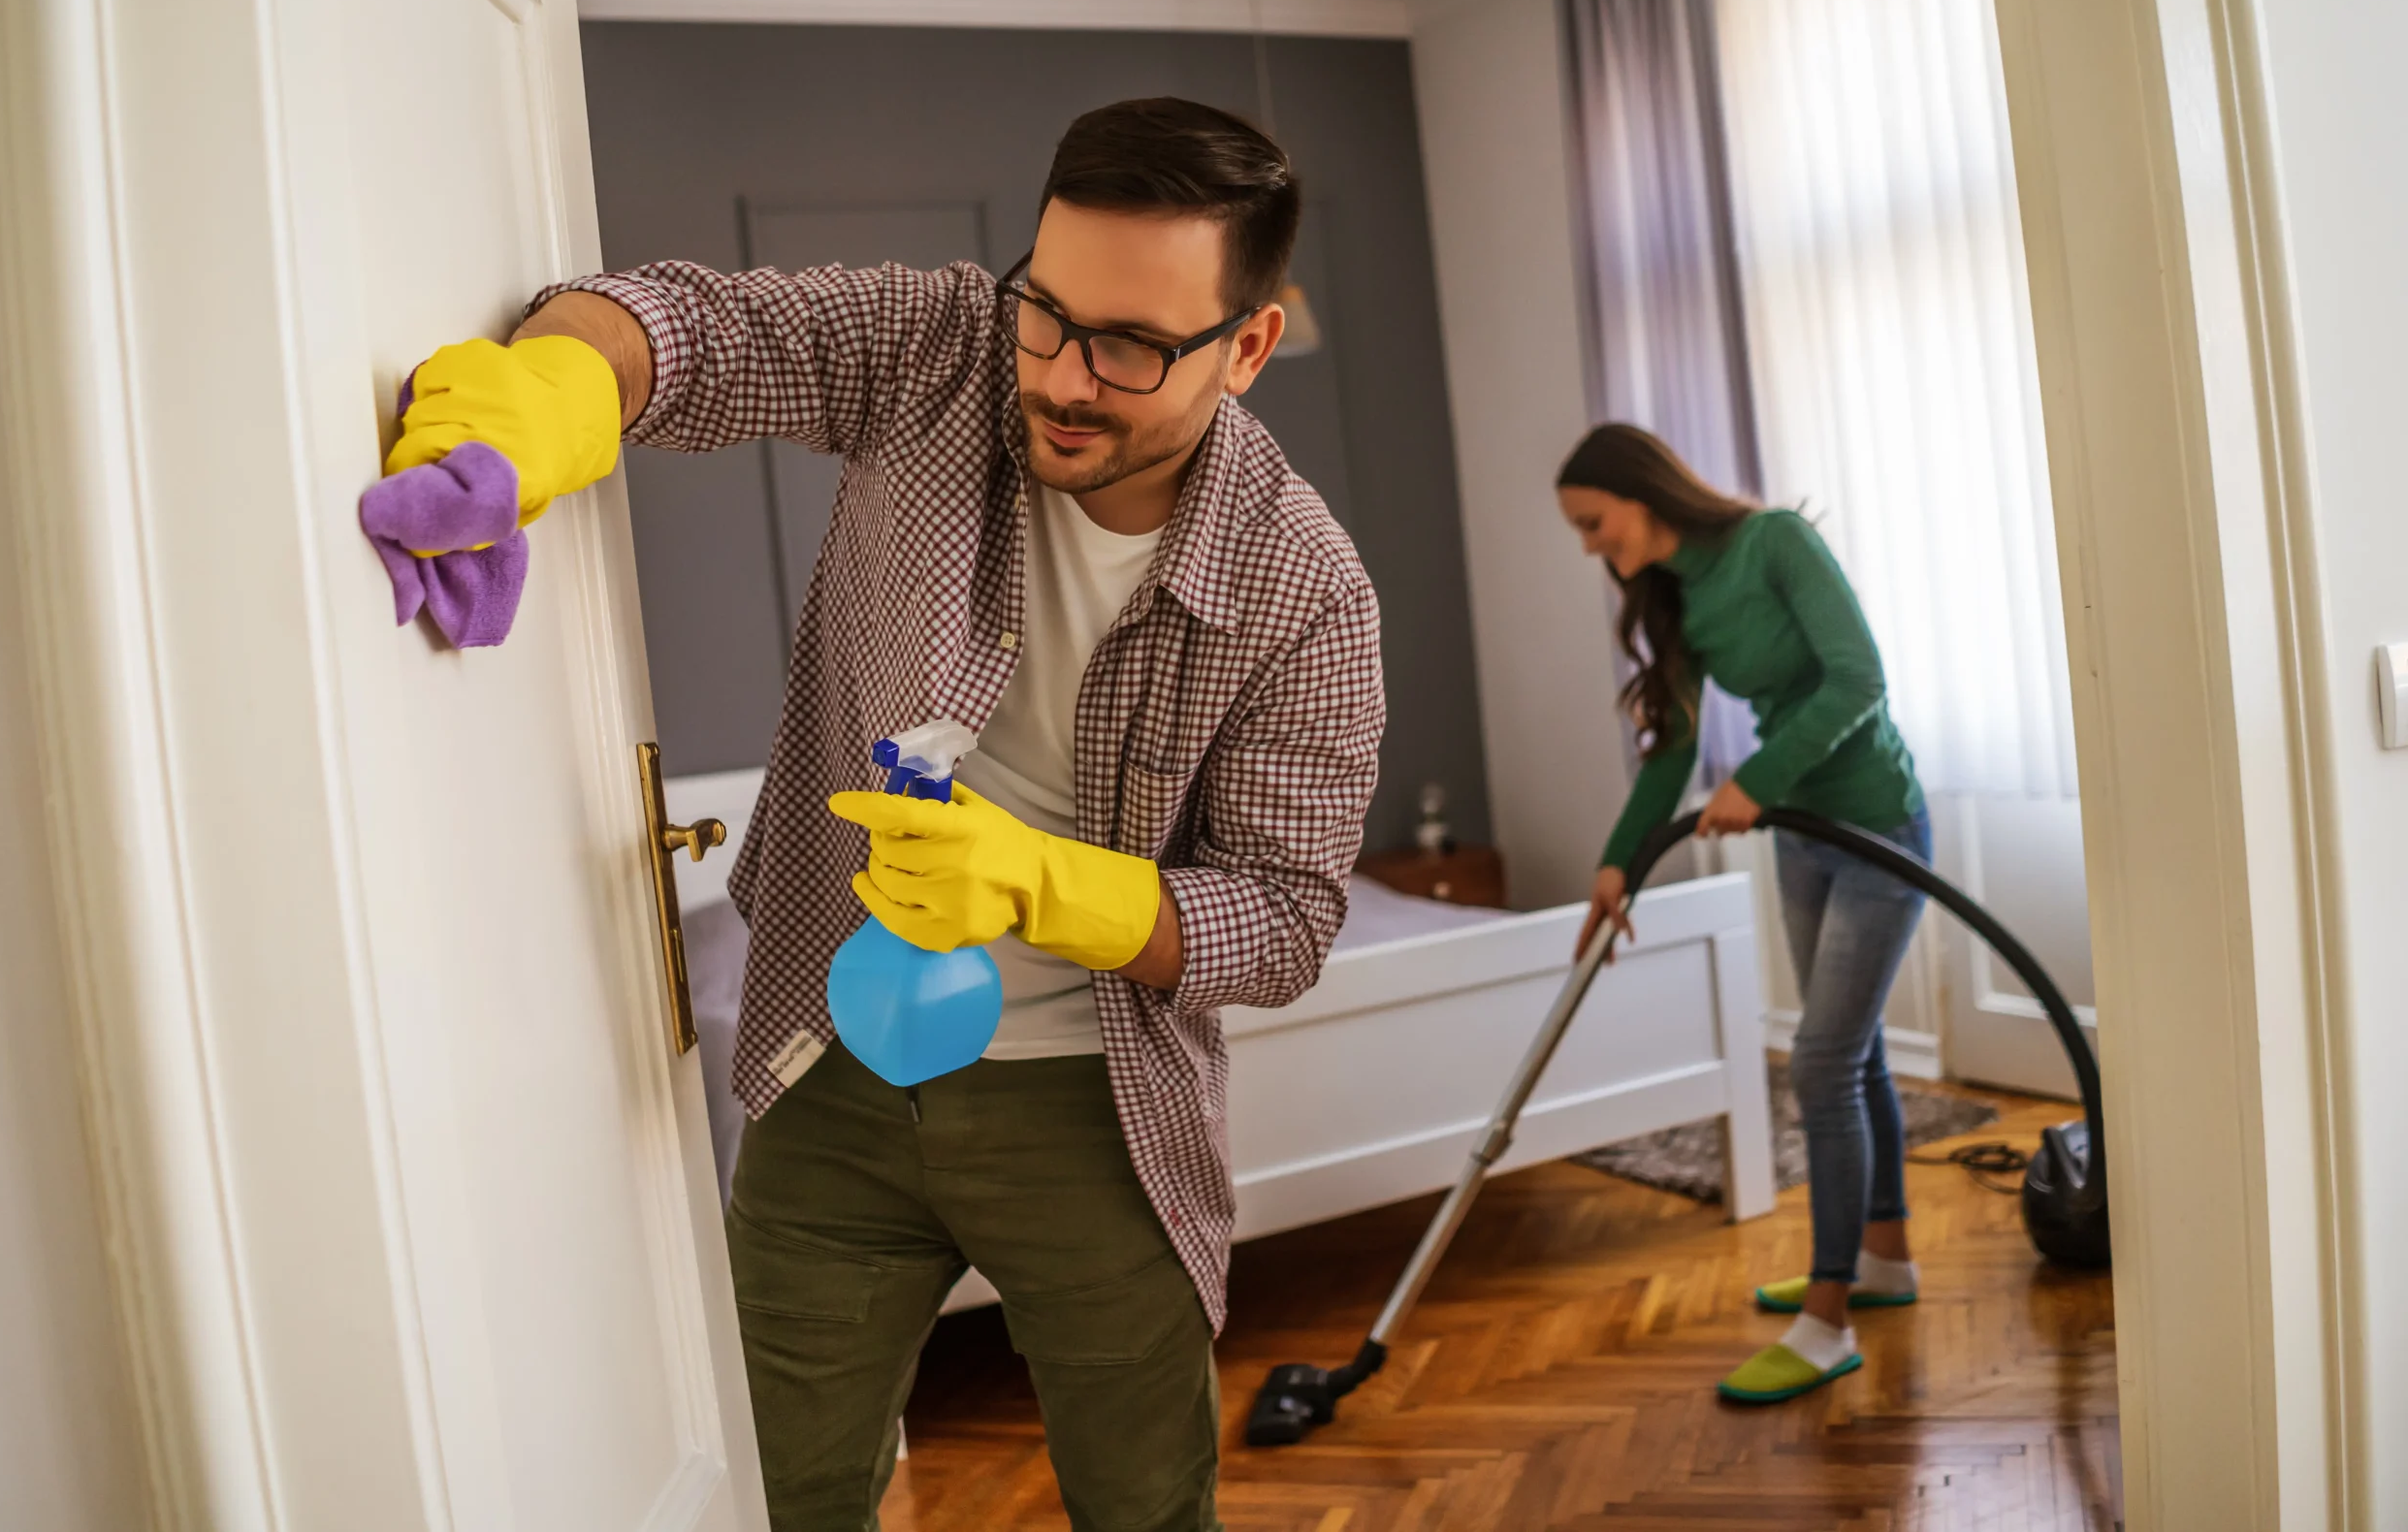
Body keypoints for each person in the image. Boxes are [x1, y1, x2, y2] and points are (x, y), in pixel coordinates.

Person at [389, 99, 1384, 1528]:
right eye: (1048, 309)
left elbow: (1285, 922)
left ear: (1247, 347)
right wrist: (545, 402)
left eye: (1132, 345)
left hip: (1097, 1112)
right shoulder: (942, 348)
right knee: (789, 1492)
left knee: (1145, 1504)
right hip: (833, 1062)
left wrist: (1046, 883)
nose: (1062, 375)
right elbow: (687, 327)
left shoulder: (1307, 589)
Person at [1561, 423, 1928, 1406]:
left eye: (1594, 524)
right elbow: (1673, 752)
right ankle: (1885, 1260)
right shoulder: (1676, 598)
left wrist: (1756, 780)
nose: (1592, 546)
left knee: (1817, 1062)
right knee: (1858, 1056)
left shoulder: (1775, 545)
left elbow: (1859, 678)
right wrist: (1619, 865)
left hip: (1879, 830)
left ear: (1639, 495)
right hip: (1804, 837)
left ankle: (1826, 1321)